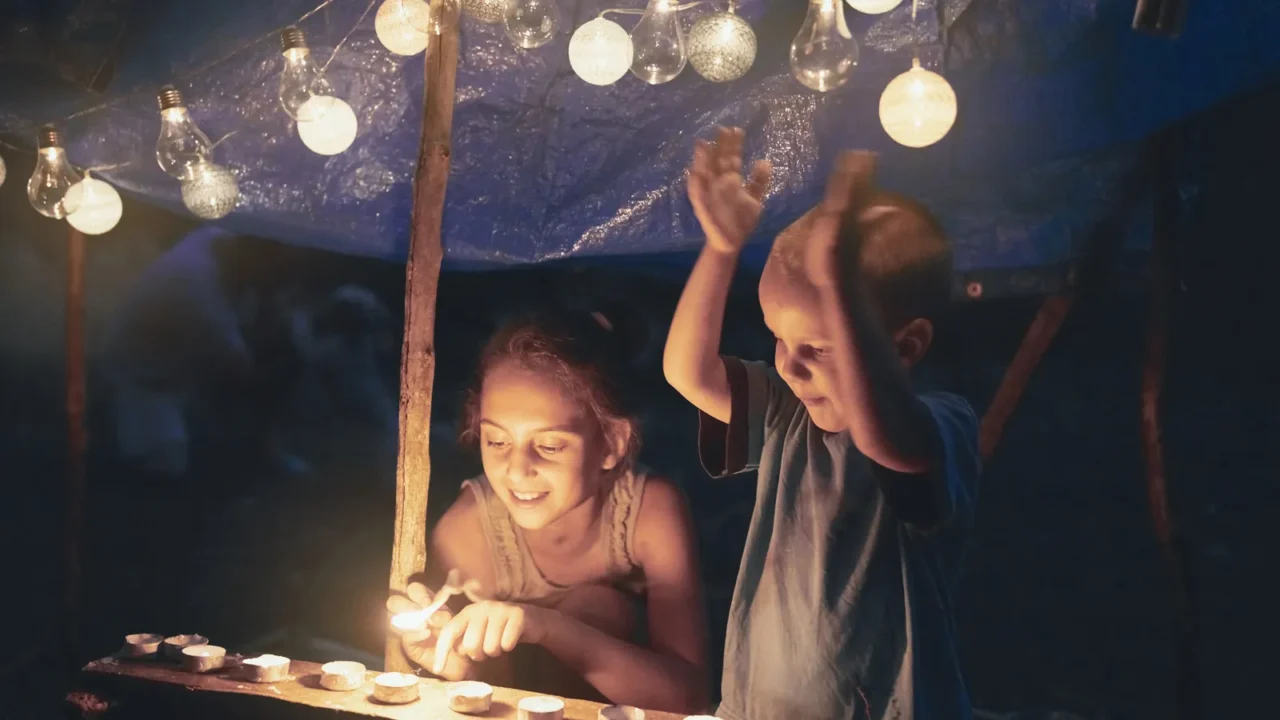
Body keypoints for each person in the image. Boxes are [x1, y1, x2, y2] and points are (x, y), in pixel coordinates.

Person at [663, 127, 981, 720]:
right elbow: (688, 372)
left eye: (820, 348)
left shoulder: (941, 426)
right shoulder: (789, 417)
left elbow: (892, 441)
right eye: (777, 337)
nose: (788, 364)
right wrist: (721, 249)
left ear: (906, 346)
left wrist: (839, 284)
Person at [387, 312, 709, 714]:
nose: (517, 470)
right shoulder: (466, 533)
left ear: (611, 442)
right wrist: (460, 667)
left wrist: (548, 627)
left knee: (597, 607)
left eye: (551, 446)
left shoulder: (649, 513)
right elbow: (498, 687)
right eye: (497, 441)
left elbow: (689, 699)